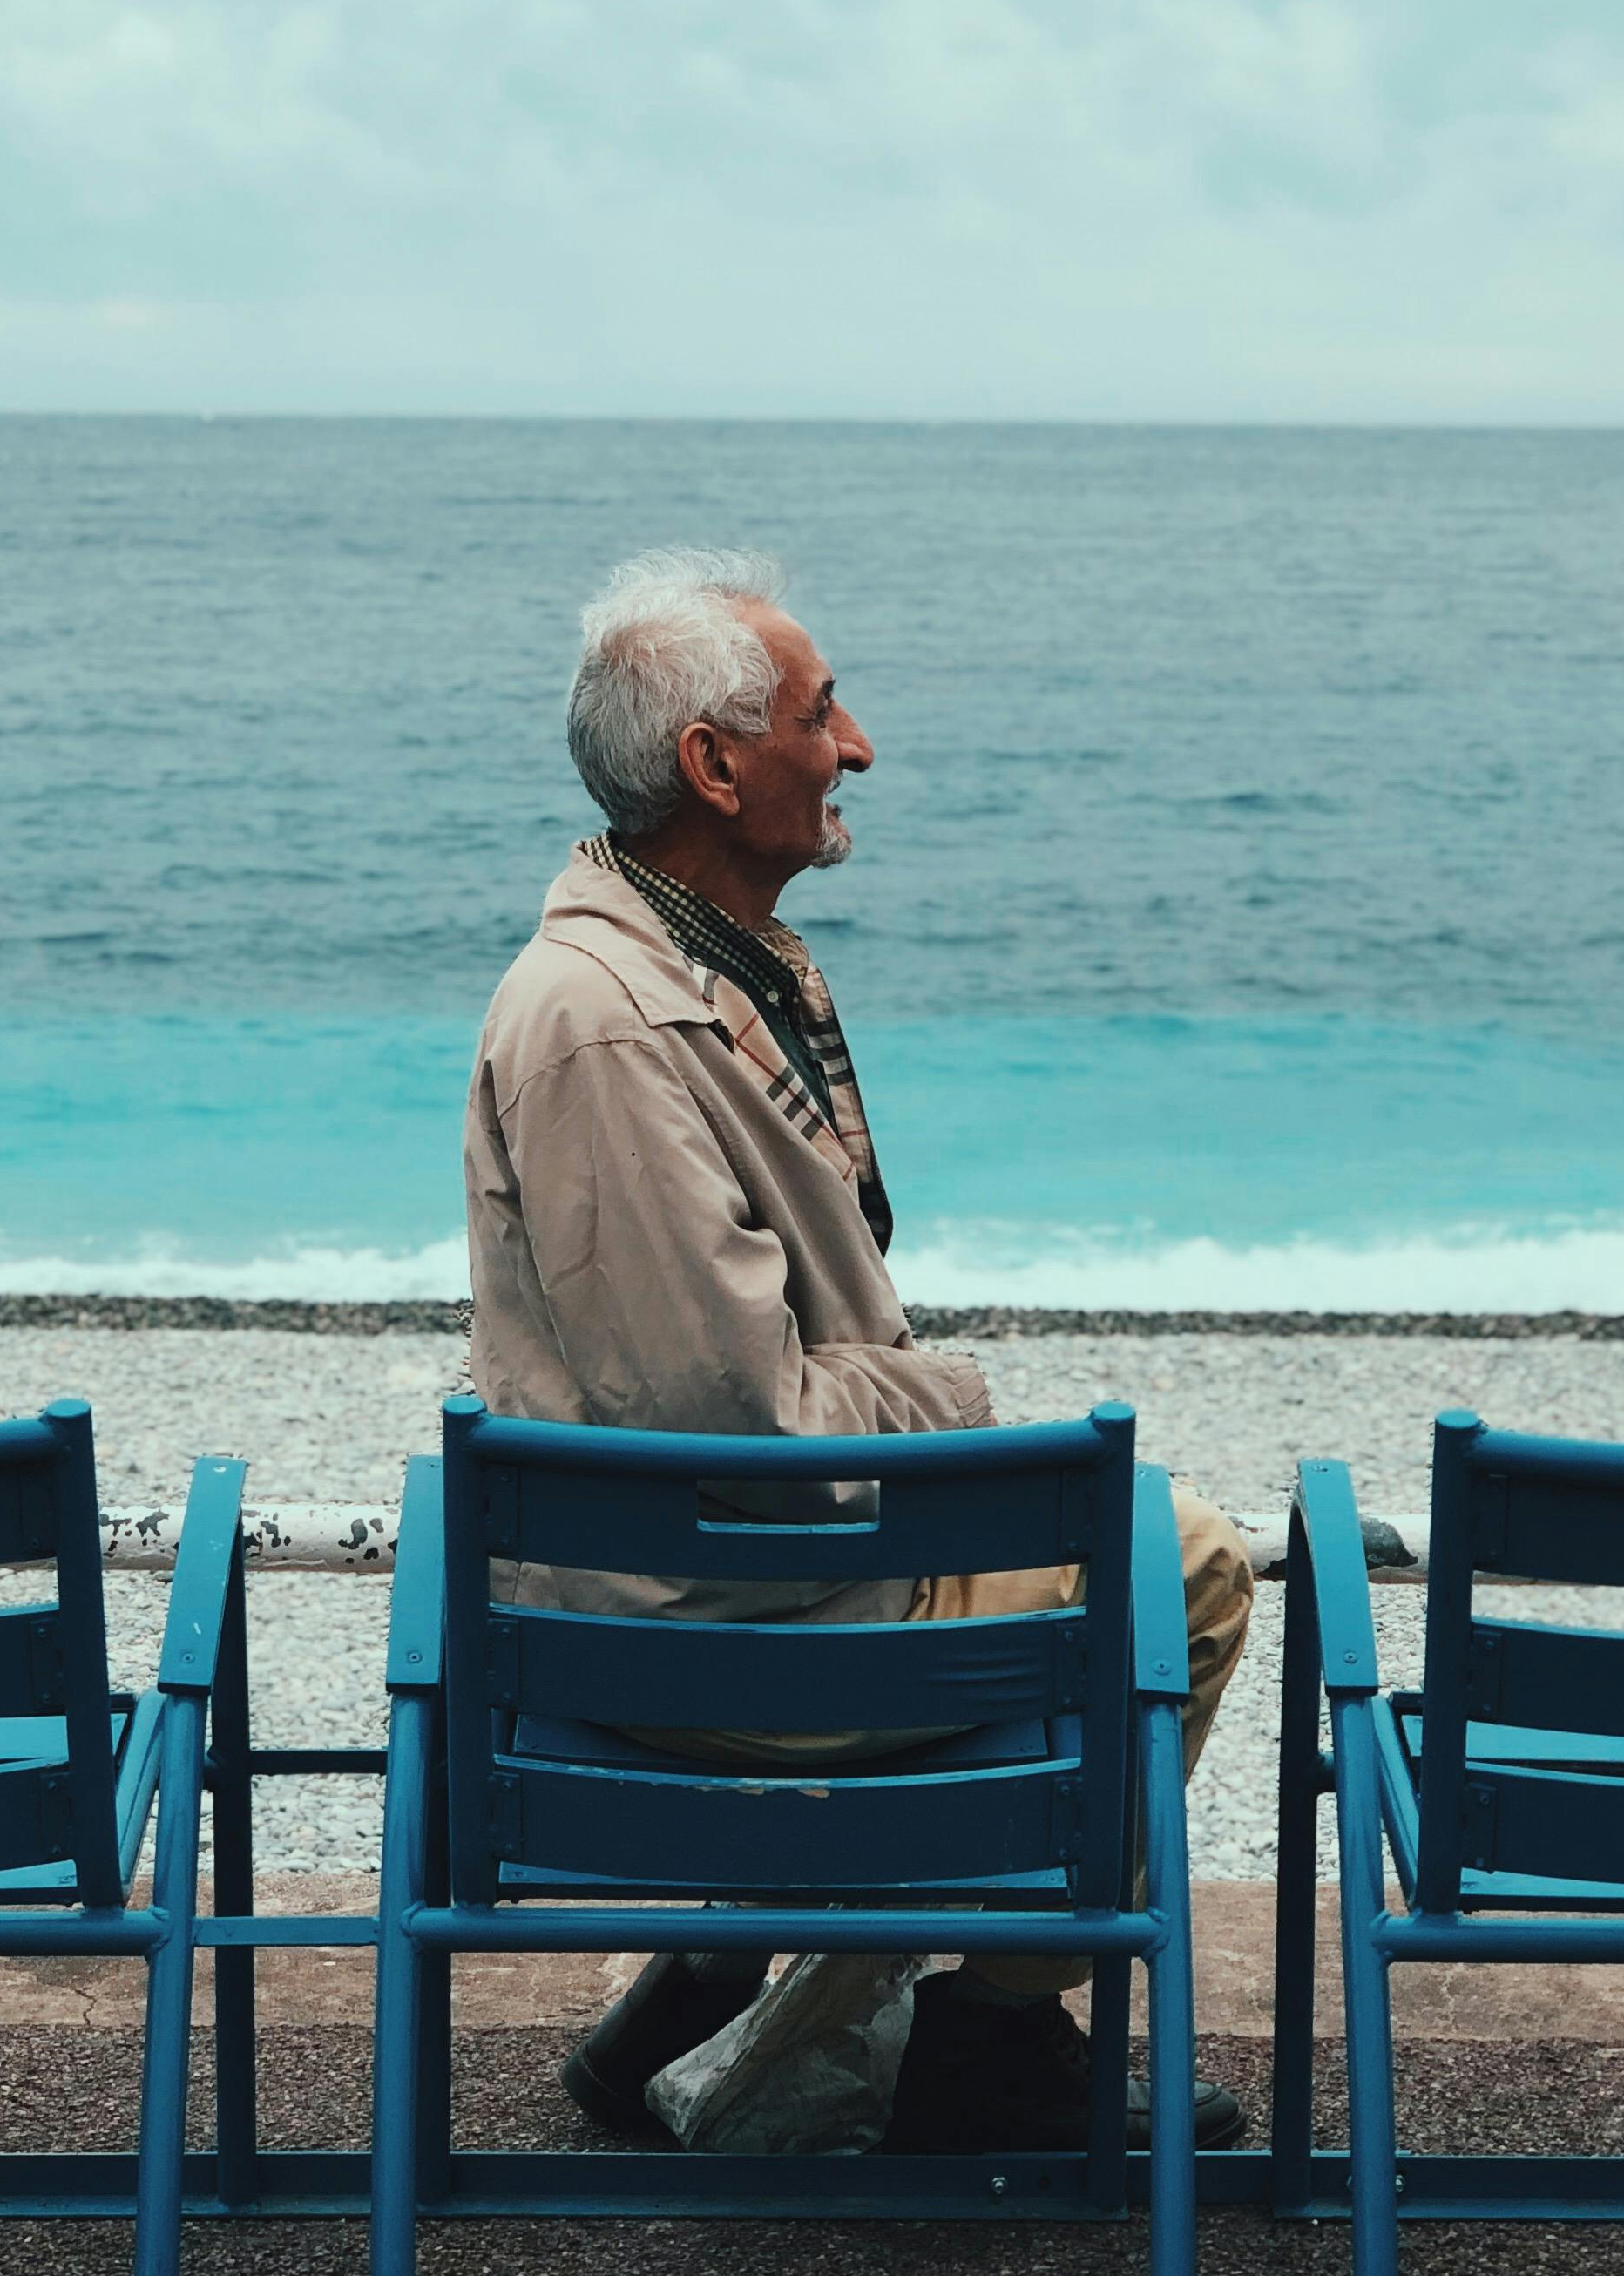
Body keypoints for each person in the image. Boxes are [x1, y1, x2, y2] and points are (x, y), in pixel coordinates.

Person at [462, 546, 1254, 2153]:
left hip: (720, 1589)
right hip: (721, 1624)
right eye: (823, 713)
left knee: (1050, 1565)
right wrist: (950, 1400)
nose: (860, 748)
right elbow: (730, 1428)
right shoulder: (611, 1026)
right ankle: (988, 2038)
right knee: (1187, 1568)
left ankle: (708, 1977)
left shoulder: (694, 963)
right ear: (714, 762)